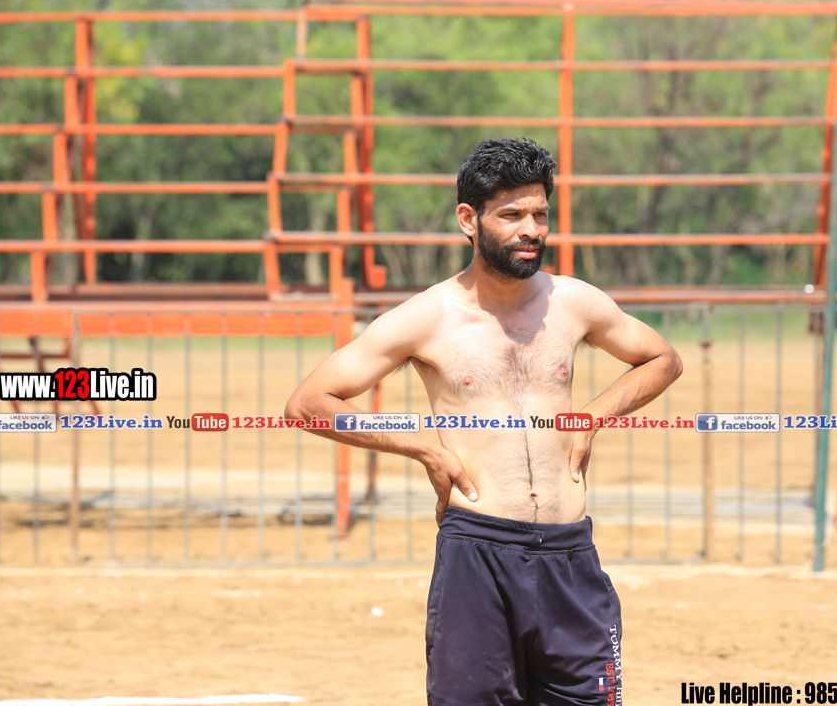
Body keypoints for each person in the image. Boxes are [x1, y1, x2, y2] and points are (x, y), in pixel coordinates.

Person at [285, 137, 682, 706]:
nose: (531, 230)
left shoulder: (574, 302)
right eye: (512, 215)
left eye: (541, 214)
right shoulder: (428, 317)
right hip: (478, 553)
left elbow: (663, 358)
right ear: (469, 220)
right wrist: (423, 449)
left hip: (570, 553)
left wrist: (594, 415)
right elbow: (309, 403)